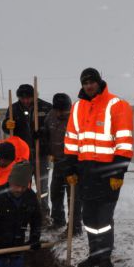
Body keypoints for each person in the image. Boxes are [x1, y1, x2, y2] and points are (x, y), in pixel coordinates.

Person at [64, 68, 133, 267]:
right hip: (86, 172)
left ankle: (105, 260)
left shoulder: (117, 105)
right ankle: (95, 253)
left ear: (99, 82)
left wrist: (118, 172)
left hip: (107, 174)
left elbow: (124, 143)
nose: (89, 86)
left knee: (104, 218)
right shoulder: (77, 108)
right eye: (85, 82)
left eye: (92, 81)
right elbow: (71, 141)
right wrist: (71, 168)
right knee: (89, 217)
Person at [2, 84, 53, 219]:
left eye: (28, 98)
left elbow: (52, 127)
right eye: (22, 98)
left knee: (42, 187)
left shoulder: (45, 107)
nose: (25, 101)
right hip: (22, 156)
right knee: (22, 185)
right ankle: (25, 214)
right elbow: (6, 129)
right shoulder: (14, 109)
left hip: (40, 153)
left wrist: (42, 133)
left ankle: (43, 214)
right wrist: (7, 125)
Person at [43, 92, 82, 234]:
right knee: (55, 193)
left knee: (74, 198)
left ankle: (75, 227)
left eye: (64, 110)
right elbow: (46, 132)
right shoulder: (51, 116)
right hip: (58, 162)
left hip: (74, 163)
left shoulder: (76, 118)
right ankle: (58, 220)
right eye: (59, 110)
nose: (61, 113)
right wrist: (42, 138)